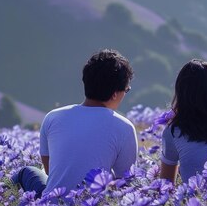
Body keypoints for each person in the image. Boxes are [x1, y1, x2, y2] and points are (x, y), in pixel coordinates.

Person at [12, 49, 138, 197]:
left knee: (26, 172)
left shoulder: (53, 117)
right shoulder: (124, 127)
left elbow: (50, 171)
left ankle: (5, 200)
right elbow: (126, 183)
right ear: (115, 93)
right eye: (126, 90)